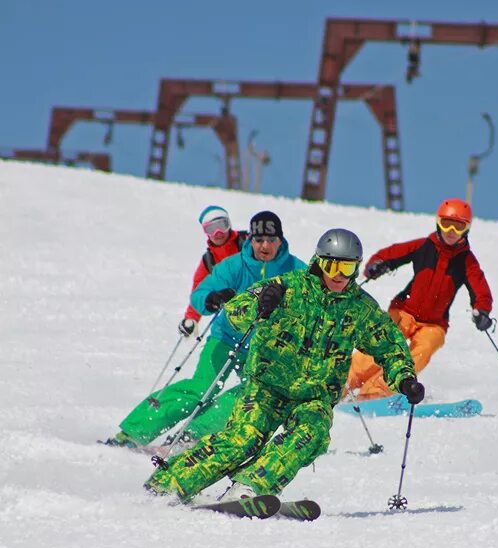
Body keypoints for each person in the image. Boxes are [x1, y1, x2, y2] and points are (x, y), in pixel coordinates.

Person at [144, 228, 422, 503]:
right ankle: (168, 484)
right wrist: (259, 305)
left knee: (311, 434)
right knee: (243, 439)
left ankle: (249, 487)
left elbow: (390, 347)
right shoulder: (287, 287)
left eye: (347, 268)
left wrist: (405, 378)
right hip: (267, 387)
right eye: (331, 265)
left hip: (314, 397)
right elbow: (234, 314)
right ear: (319, 262)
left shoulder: (360, 308)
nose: (338, 274)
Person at [105, 210, 305, 448]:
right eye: (259, 239)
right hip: (226, 338)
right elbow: (199, 294)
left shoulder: (296, 271)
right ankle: (133, 432)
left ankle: (195, 433)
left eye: (271, 240)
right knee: (202, 387)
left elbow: (313, 301)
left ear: (280, 240)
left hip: (265, 347)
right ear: (250, 239)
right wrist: (211, 299)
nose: (265, 246)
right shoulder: (234, 266)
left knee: (252, 393)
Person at [348, 198, 494, 400]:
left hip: (433, 324)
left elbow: (480, 289)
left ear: (466, 229)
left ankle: (375, 393)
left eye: (458, 226)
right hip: (404, 311)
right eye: (446, 223)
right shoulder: (425, 246)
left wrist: (482, 311)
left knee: (420, 352)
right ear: (437, 223)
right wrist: (378, 264)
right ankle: (344, 383)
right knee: (383, 345)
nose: (451, 230)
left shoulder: (467, 261)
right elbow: (393, 253)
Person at [177, 205, 247, 338]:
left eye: (222, 225)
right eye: (211, 229)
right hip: (235, 314)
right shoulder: (209, 261)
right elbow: (199, 289)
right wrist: (191, 317)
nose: (218, 232)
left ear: (229, 224)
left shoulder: (246, 243)